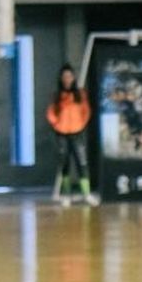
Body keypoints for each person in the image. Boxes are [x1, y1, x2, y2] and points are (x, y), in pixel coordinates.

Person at [47, 63, 96, 206]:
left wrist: (80, 124)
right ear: (61, 79)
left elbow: (86, 111)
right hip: (62, 133)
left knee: (82, 162)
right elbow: (51, 112)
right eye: (64, 76)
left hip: (77, 133)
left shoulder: (80, 94)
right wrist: (57, 124)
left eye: (69, 76)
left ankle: (86, 194)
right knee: (65, 164)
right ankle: (66, 195)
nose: (67, 79)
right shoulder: (57, 96)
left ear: (73, 78)